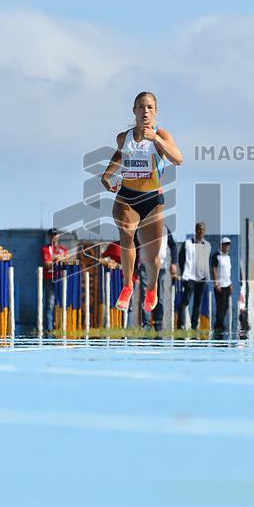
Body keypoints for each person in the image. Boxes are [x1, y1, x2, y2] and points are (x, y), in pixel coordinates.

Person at [99, 92, 183, 313]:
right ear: (134, 110)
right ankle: (127, 285)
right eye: (141, 107)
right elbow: (119, 156)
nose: (145, 111)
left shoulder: (161, 134)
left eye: (150, 107)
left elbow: (178, 158)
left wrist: (156, 140)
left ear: (155, 111)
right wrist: (107, 176)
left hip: (152, 199)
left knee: (152, 256)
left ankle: (152, 288)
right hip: (127, 196)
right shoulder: (123, 137)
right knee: (126, 233)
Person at [139, 224, 176, 332]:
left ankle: (158, 323)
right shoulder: (141, 227)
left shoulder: (165, 229)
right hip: (145, 267)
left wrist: (174, 262)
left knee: (159, 296)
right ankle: (146, 324)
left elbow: (173, 245)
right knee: (145, 296)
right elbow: (134, 246)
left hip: (161, 267)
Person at [177, 222, 211, 330]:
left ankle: (194, 325)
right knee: (185, 300)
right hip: (189, 277)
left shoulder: (208, 245)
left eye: (203, 229)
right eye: (199, 229)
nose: (201, 231)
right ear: (195, 230)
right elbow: (181, 258)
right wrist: (185, 272)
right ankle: (181, 324)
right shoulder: (187, 243)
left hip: (201, 278)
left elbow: (207, 261)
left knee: (198, 302)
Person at [41, 229, 68, 332]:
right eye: (52, 235)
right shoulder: (45, 249)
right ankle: (49, 329)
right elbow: (47, 264)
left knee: (61, 303)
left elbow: (66, 262)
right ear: (49, 236)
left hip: (61, 279)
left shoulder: (63, 249)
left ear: (58, 236)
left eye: (55, 235)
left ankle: (61, 327)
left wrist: (57, 259)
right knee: (49, 304)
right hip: (49, 279)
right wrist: (57, 259)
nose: (54, 237)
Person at [211, 237, 233, 338]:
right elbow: (214, 269)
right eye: (225, 244)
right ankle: (218, 327)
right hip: (219, 285)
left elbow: (228, 271)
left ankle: (220, 325)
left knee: (225, 307)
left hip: (227, 284)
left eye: (228, 244)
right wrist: (216, 283)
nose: (227, 246)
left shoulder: (228, 257)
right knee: (220, 306)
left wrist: (231, 284)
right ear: (221, 245)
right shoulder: (217, 255)